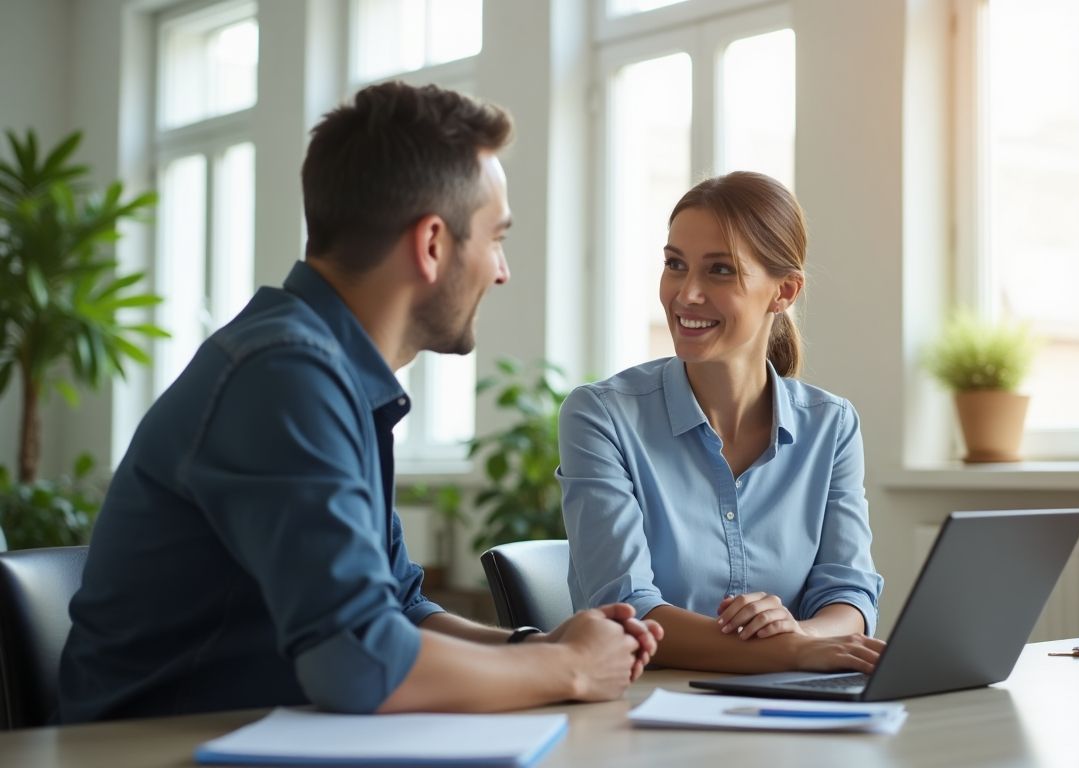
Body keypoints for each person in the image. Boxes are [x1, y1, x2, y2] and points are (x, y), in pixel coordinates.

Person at [57, 81, 661, 724]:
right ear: (431, 244)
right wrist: (566, 669)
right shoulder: (284, 375)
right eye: (496, 238)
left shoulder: (327, 372)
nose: (501, 270)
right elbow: (359, 662)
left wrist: (536, 644)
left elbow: (398, 608)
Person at [558, 171, 884, 674]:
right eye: (675, 265)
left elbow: (848, 594)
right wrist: (790, 651)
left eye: (720, 271)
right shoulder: (601, 417)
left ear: (784, 291)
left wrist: (801, 633)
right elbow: (627, 610)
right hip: (643, 718)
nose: (686, 294)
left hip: (785, 713)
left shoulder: (831, 426)